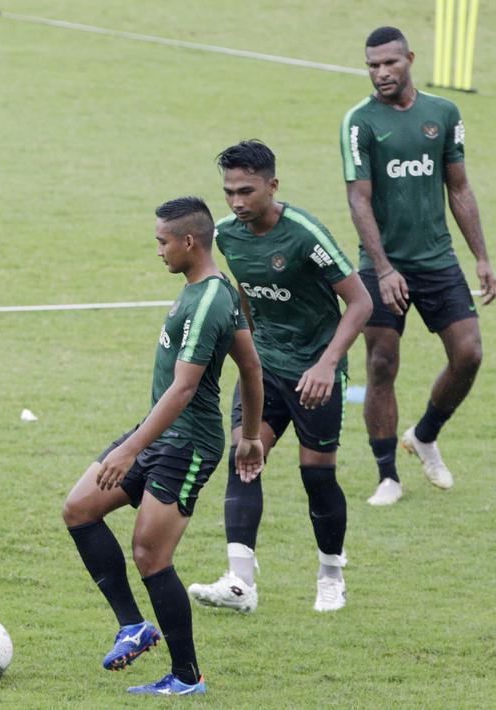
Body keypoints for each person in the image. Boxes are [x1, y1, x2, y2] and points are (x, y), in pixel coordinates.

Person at [61, 197, 264, 696]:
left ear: (189, 242)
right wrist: (250, 435)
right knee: (79, 508)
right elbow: (251, 367)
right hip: (161, 432)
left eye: (162, 241)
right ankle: (133, 626)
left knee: (150, 554)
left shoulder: (210, 301)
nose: (158, 250)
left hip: (187, 443)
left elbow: (184, 388)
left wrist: (130, 449)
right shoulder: (208, 291)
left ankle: (187, 677)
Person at [189, 141, 371, 615]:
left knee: (317, 475)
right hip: (265, 367)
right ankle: (240, 582)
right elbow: (246, 296)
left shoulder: (305, 235)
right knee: (244, 457)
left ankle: (330, 574)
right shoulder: (227, 236)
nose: (236, 202)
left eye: (246, 191)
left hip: (315, 372)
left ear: (272, 185)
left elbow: (361, 302)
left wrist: (328, 364)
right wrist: (246, 350)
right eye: (229, 192)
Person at [341, 26, 493, 505]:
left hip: (437, 259)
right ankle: (388, 476)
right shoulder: (360, 122)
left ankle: (425, 435)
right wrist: (384, 269)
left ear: (409, 58)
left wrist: (481, 256)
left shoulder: (443, 113)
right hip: (381, 265)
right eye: (373, 65)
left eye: (389, 62)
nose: (381, 73)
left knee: (469, 354)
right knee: (381, 363)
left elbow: (459, 187)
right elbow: (359, 200)